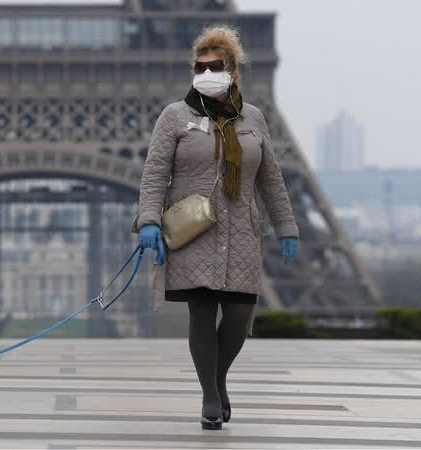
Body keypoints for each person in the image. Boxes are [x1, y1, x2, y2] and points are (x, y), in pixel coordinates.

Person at [135, 26, 299, 430]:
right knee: (203, 311)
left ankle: (217, 378)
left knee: (241, 314)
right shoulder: (175, 115)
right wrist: (149, 221)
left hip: (241, 229)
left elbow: (271, 178)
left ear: (233, 71)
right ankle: (210, 395)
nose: (207, 72)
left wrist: (286, 225)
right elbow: (154, 172)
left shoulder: (254, 118)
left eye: (216, 66)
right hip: (195, 229)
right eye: (200, 65)